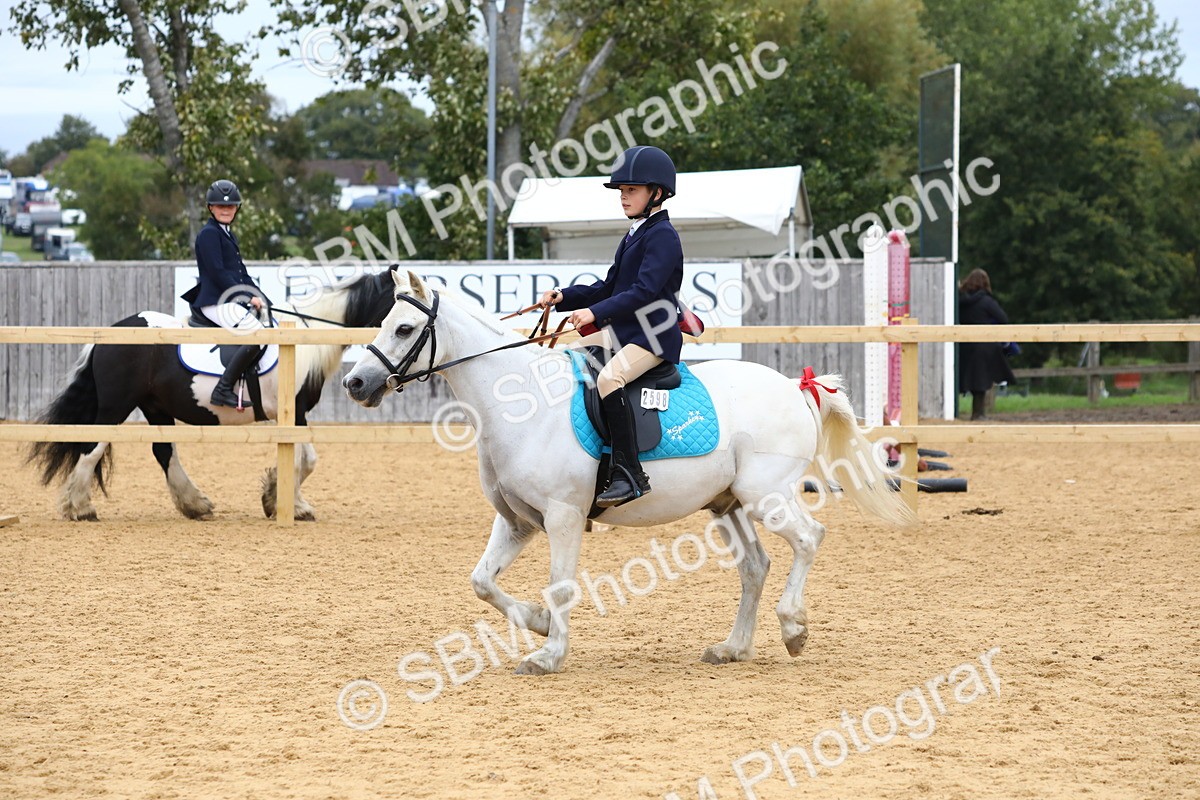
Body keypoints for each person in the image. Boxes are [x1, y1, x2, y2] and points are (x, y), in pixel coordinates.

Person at [539, 145, 685, 507]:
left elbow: (644, 291)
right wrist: (564, 296)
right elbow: (608, 287)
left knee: (609, 379)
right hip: (625, 333)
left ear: (657, 193)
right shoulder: (634, 234)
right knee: (568, 358)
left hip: (652, 337)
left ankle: (630, 473)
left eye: (631, 190)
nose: (623, 197)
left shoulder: (663, 236)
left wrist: (595, 313)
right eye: (621, 191)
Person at [181, 179, 271, 409]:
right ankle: (222, 390)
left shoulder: (228, 234)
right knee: (256, 335)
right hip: (214, 301)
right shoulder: (209, 234)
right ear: (210, 207)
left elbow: (241, 273)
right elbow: (218, 272)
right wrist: (245, 295)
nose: (225, 209)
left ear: (236, 209)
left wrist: (261, 297)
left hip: (227, 299)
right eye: (220, 205)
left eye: (230, 206)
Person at [958, 268, 1016, 420]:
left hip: (964, 344)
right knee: (981, 380)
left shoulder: (959, 301)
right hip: (984, 345)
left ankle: (970, 413)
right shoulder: (986, 301)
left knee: (968, 378)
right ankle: (978, 414)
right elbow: (1003, 318)